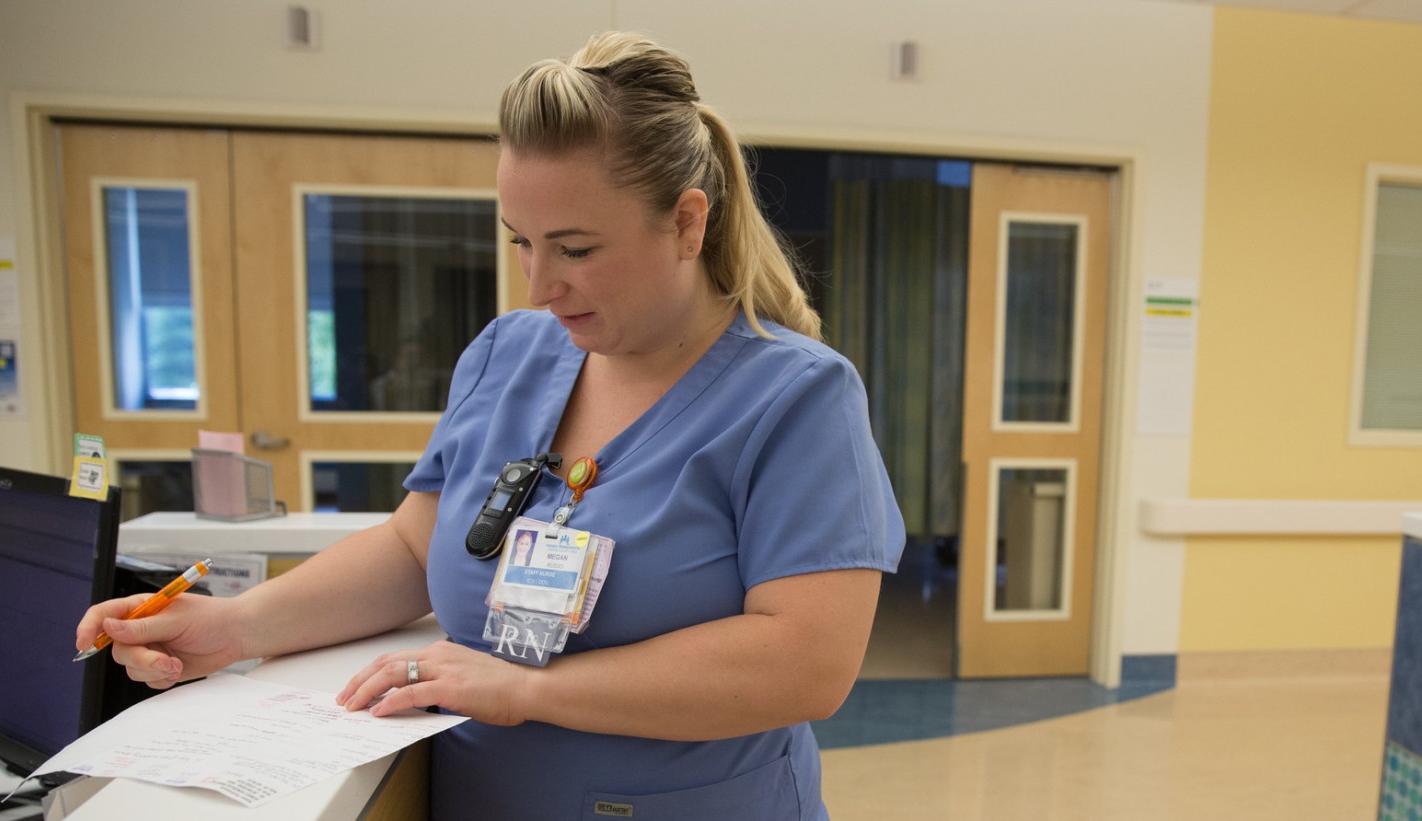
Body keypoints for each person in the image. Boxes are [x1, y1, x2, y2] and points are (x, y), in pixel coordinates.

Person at [76, 31, 905, 819]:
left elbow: (805, 664)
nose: (540, 285)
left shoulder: (795, 398)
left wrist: (528, 688)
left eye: (575, 249)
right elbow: (411, 549)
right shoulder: (508, 355)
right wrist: (235, 624)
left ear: (688, 223)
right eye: (522, 242)